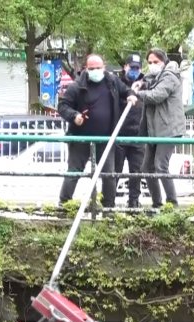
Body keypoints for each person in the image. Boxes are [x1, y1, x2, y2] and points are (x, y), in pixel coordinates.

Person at [55, 54, 138, 208]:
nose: (95, 71)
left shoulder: (112, 81)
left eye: (98, 68)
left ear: (104, 67)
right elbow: (63, 106)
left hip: (105, 139)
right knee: (74, 172)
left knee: (108, 174)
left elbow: (126, 90)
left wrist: (131, 95)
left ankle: (108, 207)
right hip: (80, 138)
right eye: (92, 68)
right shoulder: (76, 86)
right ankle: (64, 204)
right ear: (86, 69)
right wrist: (74, 116)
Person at [133, 49, 186, 207]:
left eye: (156, 62)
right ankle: (157, 203)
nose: (152, 65)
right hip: (154, 130)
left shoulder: (169, 77)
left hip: (169, 130)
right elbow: (149, 81)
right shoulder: (155, 77)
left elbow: (157, 95)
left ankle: (172, 204)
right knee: (147, 167)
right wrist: (141, 83)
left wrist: (137, 94)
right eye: (149, 62)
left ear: (164, 62)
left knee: (160, 166)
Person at [116, 54, 147, 208]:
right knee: (114, 171)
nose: (134, 70)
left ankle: (134, 203)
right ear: (125, 67)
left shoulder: (145, 84)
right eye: (131, 67)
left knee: (136, 172)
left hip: (138, 136)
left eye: (137, 67)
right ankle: (108, 202)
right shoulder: (117, 83)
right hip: (119, 135)